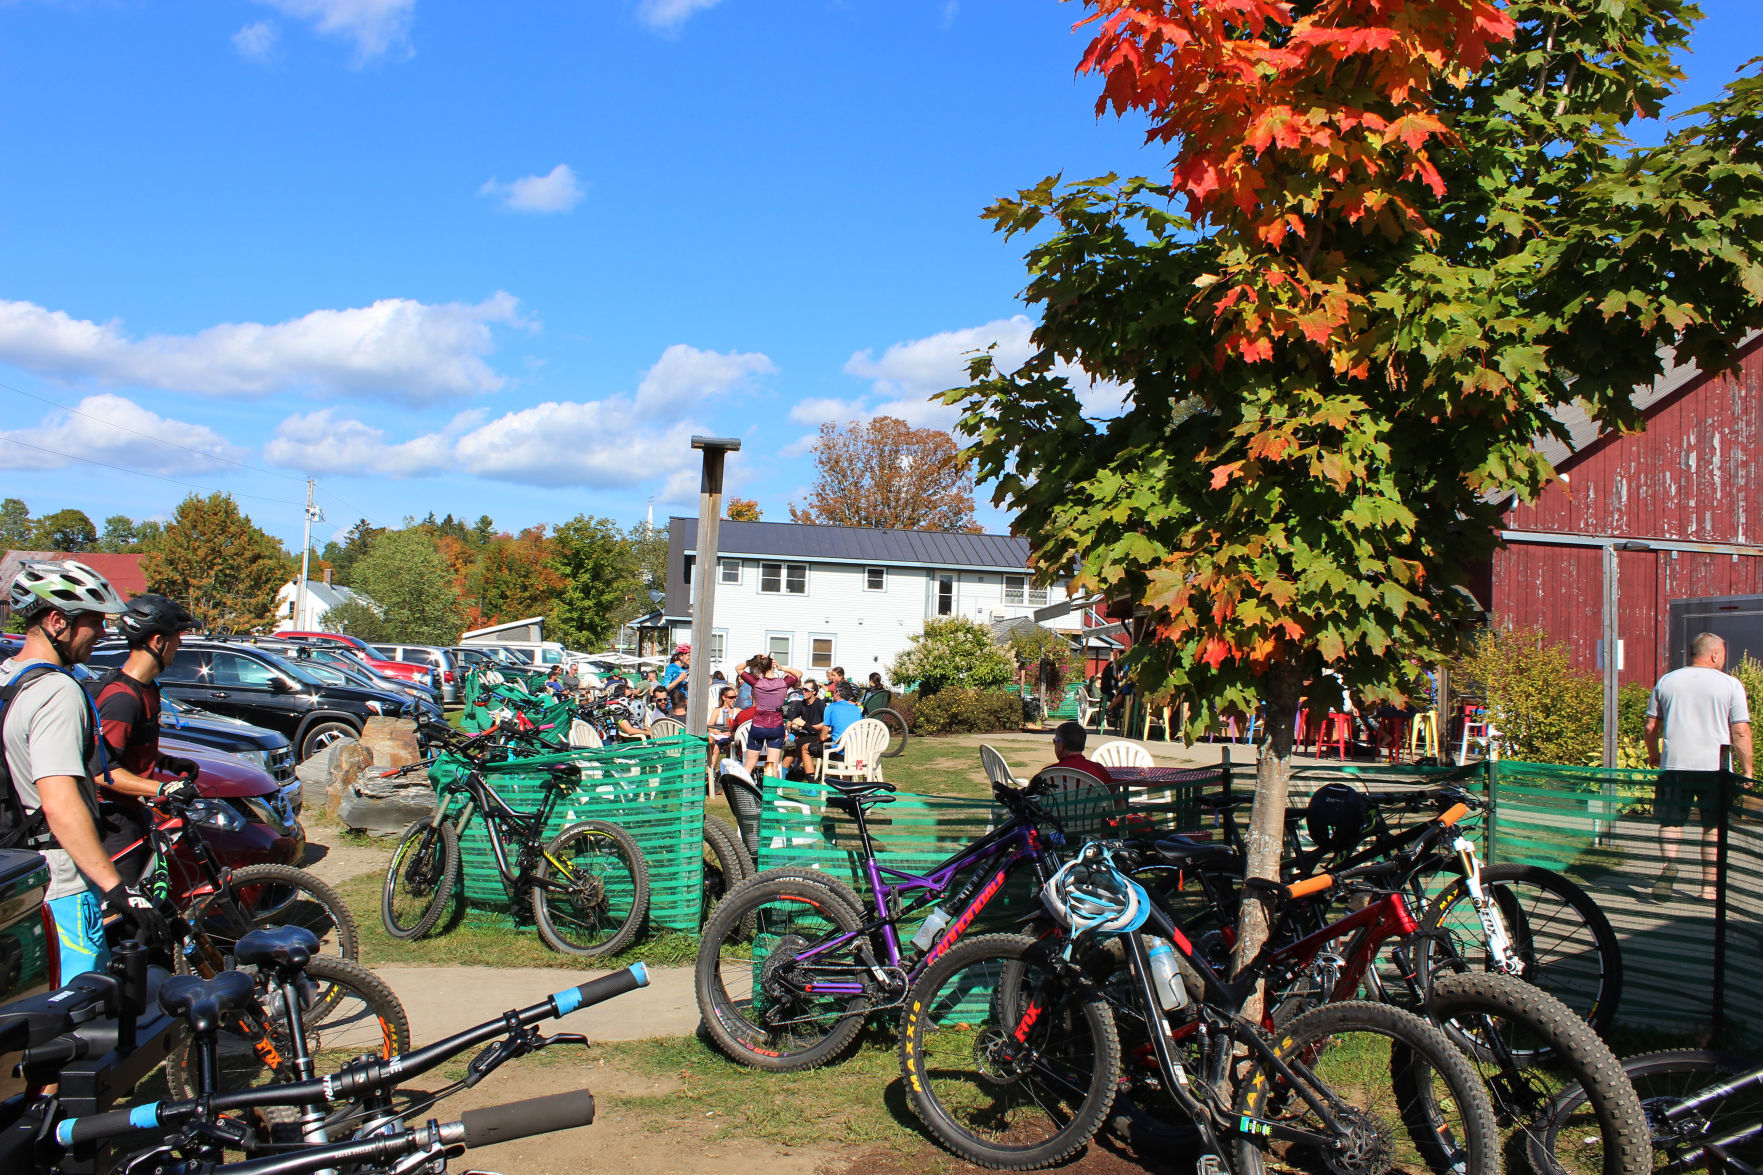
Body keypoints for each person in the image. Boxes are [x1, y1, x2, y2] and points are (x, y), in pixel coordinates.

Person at [2, 561, 168, 984]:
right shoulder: (56, 690)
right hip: (56, 879)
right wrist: (116, 888)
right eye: (94, 622)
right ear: (57, 621)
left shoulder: (8, 678)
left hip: (14, 868)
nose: (103, 634)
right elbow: (60, 801)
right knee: (78, 1010)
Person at [91, 594, 204, 888]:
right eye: (176, 638)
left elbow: (131, 748)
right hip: (113, 822)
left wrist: (168, 762)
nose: (179, 646)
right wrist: (162, 787)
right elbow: (103, 772)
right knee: (129, 915)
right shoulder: (121, 699)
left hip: (133, 811)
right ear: (157, 641)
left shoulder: (147, 689)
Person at [1644, 632, 1752, 901]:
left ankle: (1669, 866)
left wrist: (1654, 754)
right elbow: (1740, 731)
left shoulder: (1666, 681)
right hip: (1714, 768)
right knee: (1712, 826)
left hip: (1675, 765)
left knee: (1671, 822)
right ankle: (1707, 888)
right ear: (1714, 654)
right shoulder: (1730, 684)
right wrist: (1747, 770)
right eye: (1723, 653)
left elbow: (1650, 726)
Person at [739, 654, 800, 780]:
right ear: (773, 666)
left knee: (749, 765)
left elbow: (739, 669)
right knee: (771, 766)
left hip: (758, 726)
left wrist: (753, 660)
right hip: (776, 727)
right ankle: (770, 795)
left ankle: (743, 789)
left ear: (760, 667)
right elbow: (798, 673)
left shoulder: (757, 683)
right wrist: (782, 668)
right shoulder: (783, 683)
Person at [1038, 720, 1115, 786]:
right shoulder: (1099, 770)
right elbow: (1116, 799)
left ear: (1061, 744)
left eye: (1054, 741)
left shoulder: (1048, 774)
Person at [787, 680, 829, 778]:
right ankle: (784, 775)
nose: (803, 692)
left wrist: (805, 724)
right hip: (805, 733)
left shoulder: (820, 704)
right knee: (789, 747)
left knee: (799, 743)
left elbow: (825, 723)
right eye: (802, 689)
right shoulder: (800, 704)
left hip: (818, 735)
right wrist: (792, 726)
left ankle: (797, 772)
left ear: (814, 692)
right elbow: (790, 721)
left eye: (806, 690)